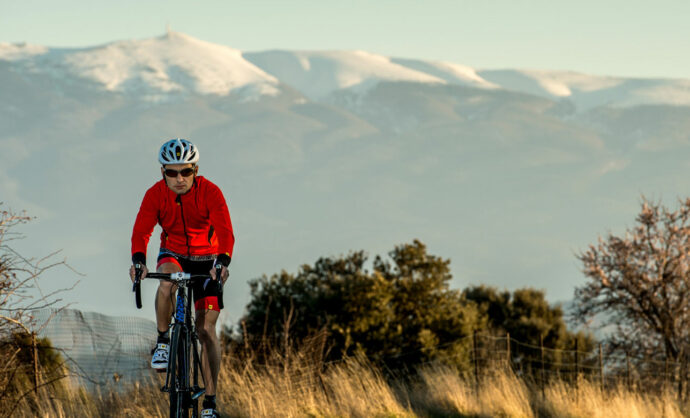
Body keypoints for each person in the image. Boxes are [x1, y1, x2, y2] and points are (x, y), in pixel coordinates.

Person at [129, 138, 234, 418]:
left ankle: (210, 402)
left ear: (195, 170)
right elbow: (141, 231)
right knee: (166, 281)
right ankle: (163, 340)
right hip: (172, 251)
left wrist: (222, 261)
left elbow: (225, 231)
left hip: (208, 260)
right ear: (163, 172)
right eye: (171, 173)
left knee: (206, 332)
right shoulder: (155, 194)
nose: (179, 179)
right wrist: (138, 261)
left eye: (185, 172)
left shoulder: (211, 192)